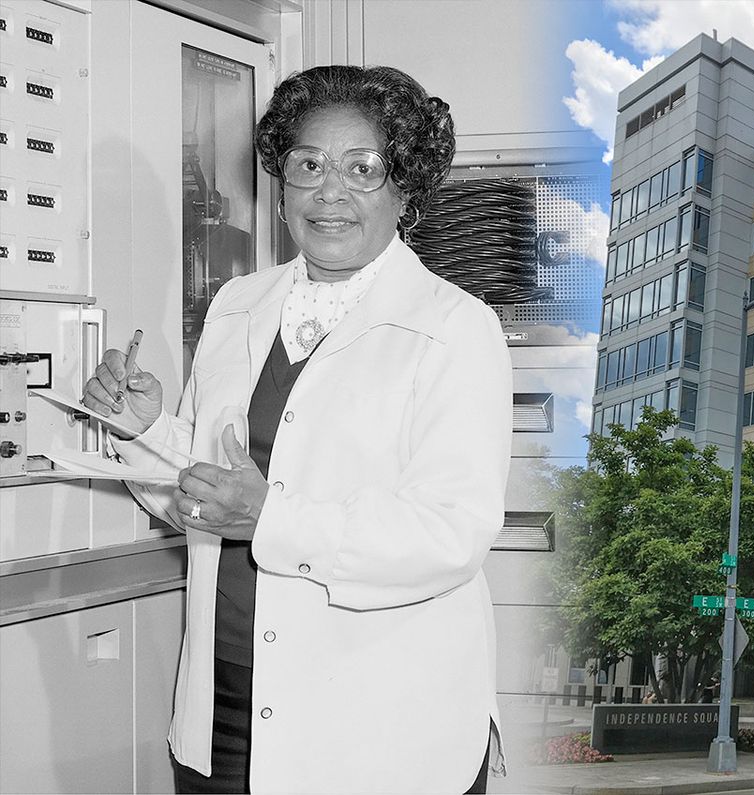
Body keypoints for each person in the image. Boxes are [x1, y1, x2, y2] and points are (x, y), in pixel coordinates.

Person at [82, 65, 511, 794]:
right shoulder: (236, 305)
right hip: (223, 711)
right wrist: (142, 430)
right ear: (281, 183)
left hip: (377, 727)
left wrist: (272, 518)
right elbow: (207, 491)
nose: (329, 191)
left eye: (363, 168)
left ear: (405, 189)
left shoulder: (456, 328)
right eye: (307, 164)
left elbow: (450, 534)